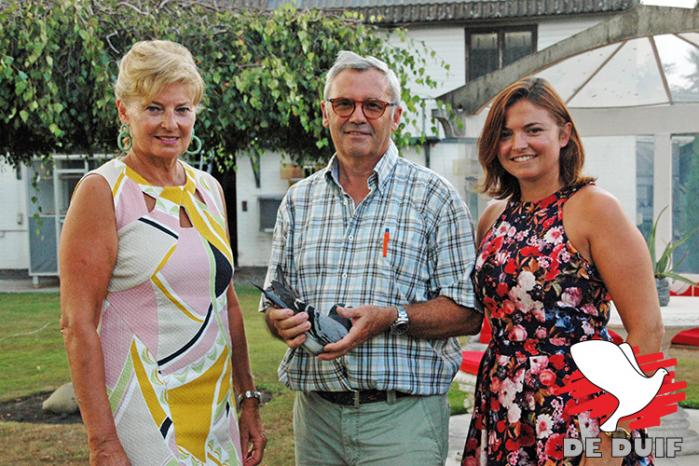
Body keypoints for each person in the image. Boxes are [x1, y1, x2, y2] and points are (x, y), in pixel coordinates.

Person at [261, 50, 483, 466]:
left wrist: (390, 317)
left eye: (373, 105)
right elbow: (274, 302)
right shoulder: (298, 201)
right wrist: (281, 322)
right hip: (316, 419)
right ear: (326, 113)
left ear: (395, 116)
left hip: (401, 421)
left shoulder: (435, 198)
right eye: (344, 103)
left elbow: (468, 313)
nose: (357, 116)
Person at [60, 40, 265, 466]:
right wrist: (103, 443)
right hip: (144, 417)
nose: (170, 124)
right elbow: (77, 325)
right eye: (154, 108)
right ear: (124, 111)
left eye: (182, 109)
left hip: (216, 416)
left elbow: (226, 303)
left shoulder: (209, 190)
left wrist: (247, 398)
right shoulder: (104, 192)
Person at [461, 77, 663, 466]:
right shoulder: (494, 217)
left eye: (533, 130)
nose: (518, 144)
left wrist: (610, 441)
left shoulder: (595, 209)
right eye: (505, 134)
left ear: (564, 134)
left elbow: (648, 330)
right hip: (504, 406)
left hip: (581, 410)